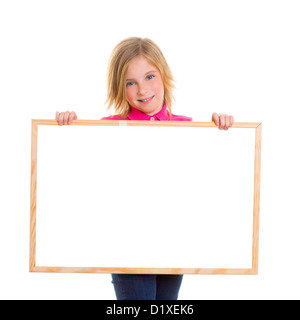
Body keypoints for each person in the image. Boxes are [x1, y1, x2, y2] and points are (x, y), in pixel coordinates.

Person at [55, 37, 234, 300]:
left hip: (173, 240)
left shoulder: (189, 128)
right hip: (128, 241)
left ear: (164, 75)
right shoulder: (108, 129)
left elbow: (202, 183)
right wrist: (68, 128)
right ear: (120, 87)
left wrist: (222, 130)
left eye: (150, 77)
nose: (142, 90)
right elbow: (83, 175)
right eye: (131, 83)